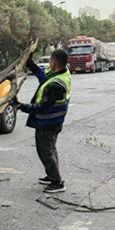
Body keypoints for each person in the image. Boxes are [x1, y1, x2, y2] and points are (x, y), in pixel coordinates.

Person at [16, 49, 72, 194]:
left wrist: (21, 107)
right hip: (52, 121)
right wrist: (28, 59)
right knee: (50, 149)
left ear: (53, 63)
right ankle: (51, 175)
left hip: (49, 122)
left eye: (50, 61)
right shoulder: (59, 73)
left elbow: (43, 107)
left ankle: (56, 182)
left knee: (45, 151)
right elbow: (39, 73)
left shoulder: (56, 84)